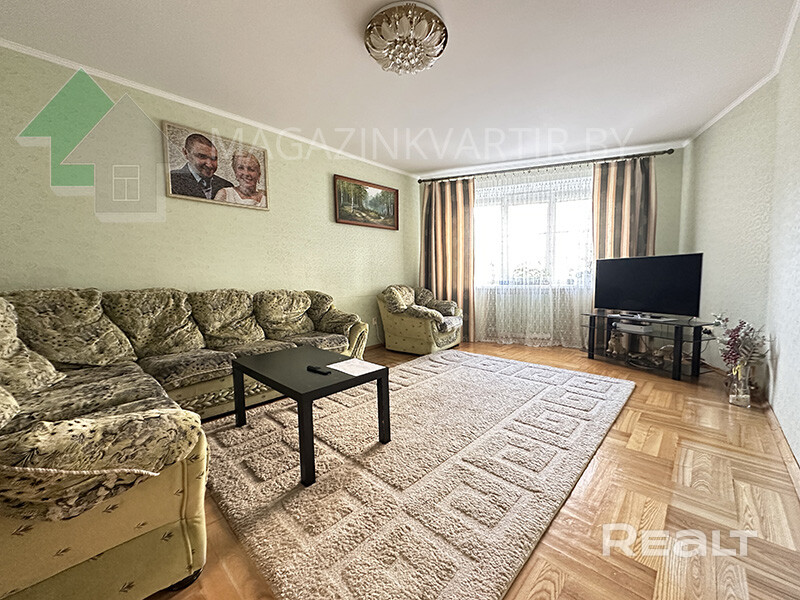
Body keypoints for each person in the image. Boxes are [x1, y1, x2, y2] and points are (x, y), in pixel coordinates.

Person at [170, 133, 233, 199]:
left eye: (213, 159)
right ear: (186, 153)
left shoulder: (227, 186)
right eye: (202, 156)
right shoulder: (171, 180)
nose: (209, 165)